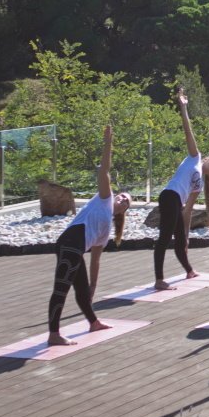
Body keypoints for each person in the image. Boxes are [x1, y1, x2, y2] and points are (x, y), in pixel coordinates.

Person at [49, 124, 131, 347]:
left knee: (83, 291)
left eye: (127, 202)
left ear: (123, 212)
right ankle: (54, 334)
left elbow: (96, 259)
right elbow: (104, 170)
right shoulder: (105, 198)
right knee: (62, 288)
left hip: (76, 248)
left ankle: (93, 322)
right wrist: (107, 143)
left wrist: (94, 285)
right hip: (69, 243)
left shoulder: (106, 231)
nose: (123, 200)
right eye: (122, 196)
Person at [154, 87, 209, 292]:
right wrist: (183, 108)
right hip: (169, 195)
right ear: (207, 159)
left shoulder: (199, 184)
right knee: (165, 237)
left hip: (176, 202)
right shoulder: (195, 157)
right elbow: (187, 131)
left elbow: (188, 210)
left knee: (180, 240)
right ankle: (159, 279)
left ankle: (189, 270)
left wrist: (186, 233)